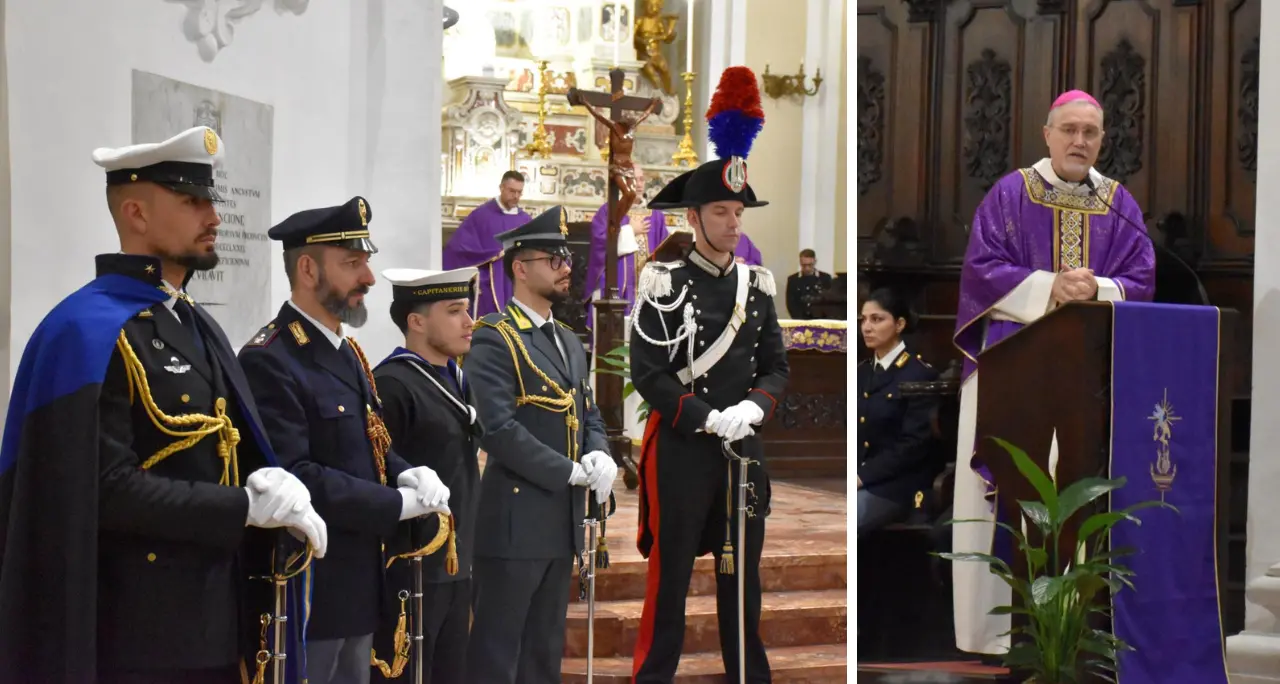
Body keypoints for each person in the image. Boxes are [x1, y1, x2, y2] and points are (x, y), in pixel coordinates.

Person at [0, 126, 327, 683]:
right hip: (136, 632)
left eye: (211, 200)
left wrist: (269, 486)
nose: (213, 216)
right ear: (136, 213)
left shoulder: (194, 322)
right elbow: (100, 488)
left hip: (216, 618)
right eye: (191, 201)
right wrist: (240, 508)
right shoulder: (86, 329)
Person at [951, 89, 1155, 655]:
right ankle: (998, 634)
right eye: (1069, 129)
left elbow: (1142, 277)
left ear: (1102, 140)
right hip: (1014, 369)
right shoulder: (1010, 193)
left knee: (1084, 493)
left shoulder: (1118, 203)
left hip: (1091, 380)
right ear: (1047, 134)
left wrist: (1099, 288)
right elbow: (981, 270)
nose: (1079, 141)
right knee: (1008, 487)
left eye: (1090, 132)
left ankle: (1080, 631)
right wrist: (1049, 287)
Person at [237, 196, 451, 684]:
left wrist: (407, 470)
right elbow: (297, 474)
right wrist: (395, 503)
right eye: (352, 264)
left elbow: (371, 441)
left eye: (366, 263)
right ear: (308, 268)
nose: (369, 279)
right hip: (309, 583)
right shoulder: (271, 358)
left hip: (358, 579)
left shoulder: (345, 350)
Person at [628, 65, 789, 684]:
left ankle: (748, 675)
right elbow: (649, 371)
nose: (733, 223)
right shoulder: (663, 281)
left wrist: (754, 407)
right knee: (670, 577)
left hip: (743, 452)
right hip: (684, 449)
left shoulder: (758, 283)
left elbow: (776, 365)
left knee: (740, 575)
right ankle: (654, 676)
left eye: (738, 212)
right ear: (694, 217)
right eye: (721, 211)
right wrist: (701, 415)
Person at [464, 206, 617, 684]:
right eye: (553, 258)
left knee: (543, 655)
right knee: (498, 654)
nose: (566, 266)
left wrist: (599, 453)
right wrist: (567, 471)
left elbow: (586, 410)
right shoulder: (495, 337)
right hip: (513, 522)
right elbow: (499, 429)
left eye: (567, 257)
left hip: (561, 521)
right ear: (520, 266)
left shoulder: (569, 340)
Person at [372, 267, 484, 684]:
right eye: (455, 311)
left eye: (468, 310)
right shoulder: (392, 384)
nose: (469, 322)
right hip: (412, 565)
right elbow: (381, 469)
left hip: (456, 564)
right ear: (416, 322)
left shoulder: (455, 377)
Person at [856, 288, 939, 535]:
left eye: (877, 319)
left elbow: (912, 446)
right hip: (858, 479)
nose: (866, 327)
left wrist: (862, 476)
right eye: (863, 319)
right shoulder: (860, 372)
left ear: (899, 324)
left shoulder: (919, 374)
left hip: (895, 486)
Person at [583, 164, 671, 330]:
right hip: (616, 290)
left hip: (647, 292)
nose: (638, 184)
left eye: (641, 179)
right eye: (633, 179)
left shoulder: (656, 215)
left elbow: (664, 250)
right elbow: (600, 243)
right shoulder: (610, 210)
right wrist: (631, 231)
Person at [442, 171, 532, 318]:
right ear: (501, 187)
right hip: (488, 280)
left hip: (516, 281)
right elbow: (459, 247)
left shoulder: (525, 220)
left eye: (519, 192)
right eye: (512, 191)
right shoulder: (481, 215)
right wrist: (492, 255)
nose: (516, 196)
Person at [785, 248, 833, 319]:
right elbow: (790, 303)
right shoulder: (793, 279)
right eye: (804, 265)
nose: (807, 268)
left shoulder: (825, 278)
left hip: (821, 319)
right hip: (800, 319)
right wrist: (798, 319)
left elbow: (829, 300)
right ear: (800, 262)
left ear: (815, 261)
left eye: (810, 265)